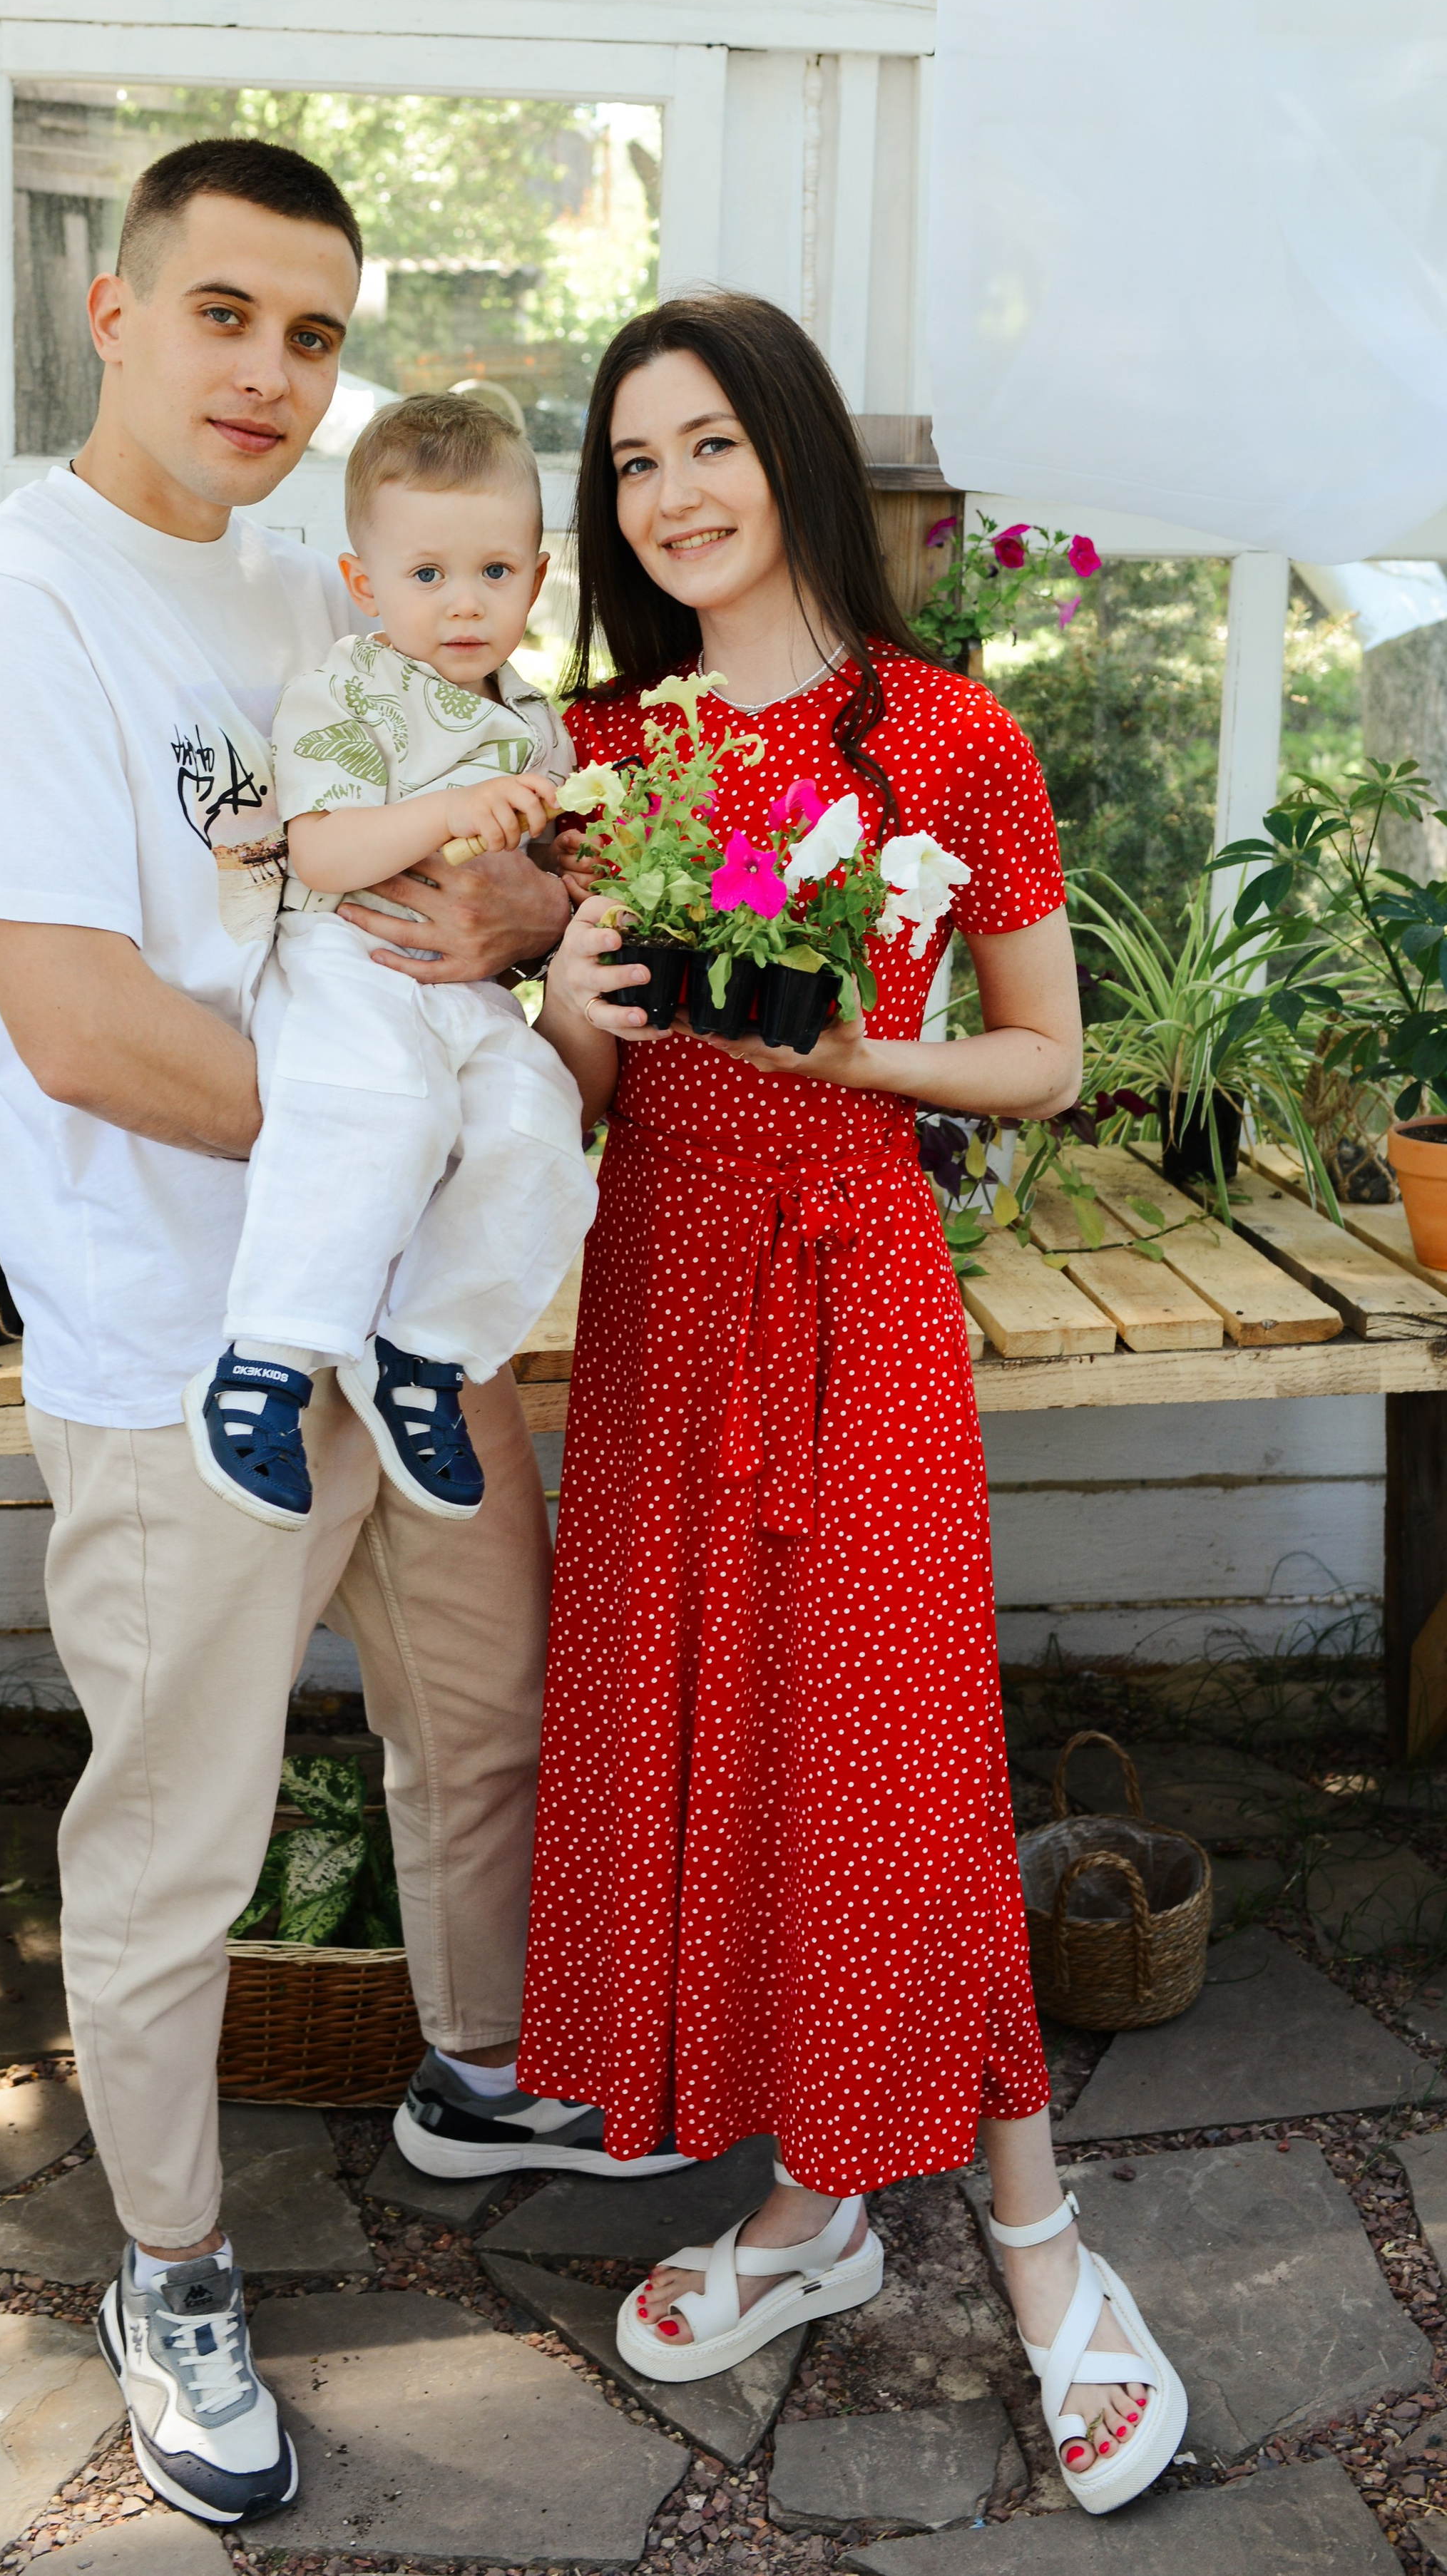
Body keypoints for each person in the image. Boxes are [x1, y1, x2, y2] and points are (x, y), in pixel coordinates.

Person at [0, 135, 680, 2537]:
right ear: (114, 312)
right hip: (180, 1341)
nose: (270, 368)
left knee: (482, 1728)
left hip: (400, 1337)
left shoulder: (305, 595)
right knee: (177, 1842)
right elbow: (87, 1033)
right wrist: (428, 1143)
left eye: (314, 333)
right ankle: (171, 2260)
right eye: (226, 313)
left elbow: (471, 859)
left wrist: (530, 913)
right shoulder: (15, 606)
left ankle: (472, 2063)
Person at [522, 291, 1188, 2516]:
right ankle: (814, 2203)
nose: (674, 495)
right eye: (633, 465)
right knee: (721, 1742)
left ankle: (1035, 2235)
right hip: (665, 1291)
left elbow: (1049, 1056)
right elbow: (600, 1090)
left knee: (892, 1750)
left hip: (854, 1279)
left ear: (791, 456)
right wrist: (561, 987)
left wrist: (857, 1056)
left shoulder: (945, 736)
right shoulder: (607, 751)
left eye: (707, 443)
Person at [185, 392, 599, 1531]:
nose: (463, 603)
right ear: (365, 582)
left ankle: (421, 1349)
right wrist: (451, 805)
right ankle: (265, 1361)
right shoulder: (345, 690)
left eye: (494, 573)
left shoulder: (534, 718)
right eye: (426, 576)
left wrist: (573, 859)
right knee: (382, 1109)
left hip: (467, 990)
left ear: (536, 571)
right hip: (348, 958)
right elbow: (320, 846)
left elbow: (546, 870)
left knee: (537, 1124)